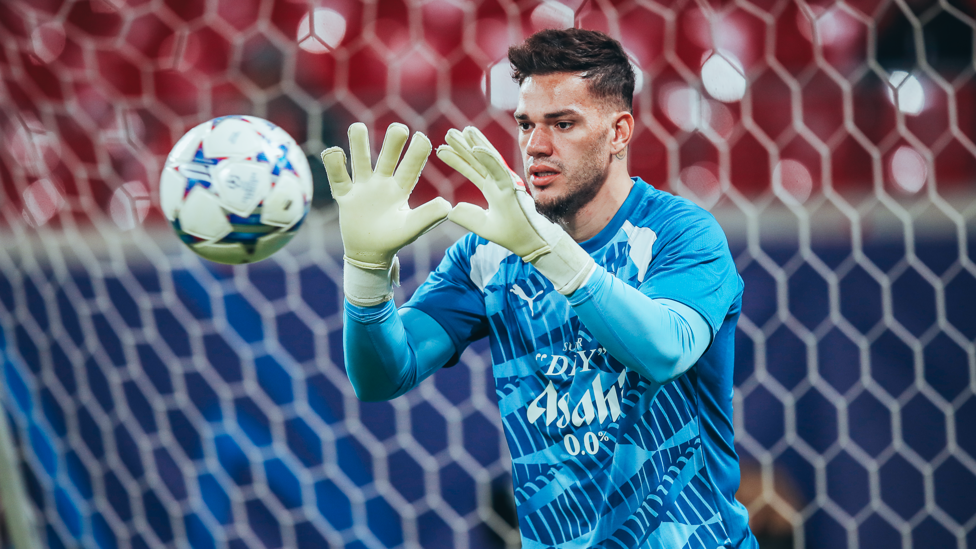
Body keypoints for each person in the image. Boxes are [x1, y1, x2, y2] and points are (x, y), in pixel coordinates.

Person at [320, 28, 757, 549]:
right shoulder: (489, 256)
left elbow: (665, 350)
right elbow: (383, 376)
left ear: (619, 132)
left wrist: (548, 252)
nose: (536, 145)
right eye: (526, 124)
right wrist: (366, 274)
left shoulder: (681, 234)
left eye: (563, 123)